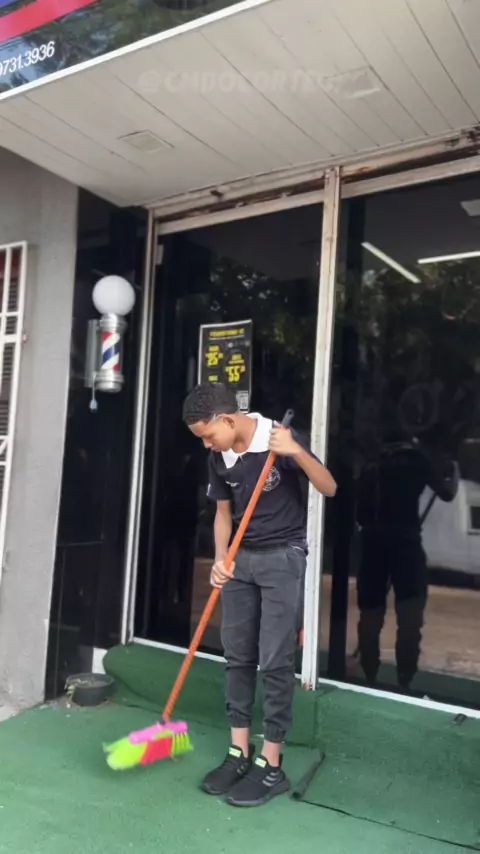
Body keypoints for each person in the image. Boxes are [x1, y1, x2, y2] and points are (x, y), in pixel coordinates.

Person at [182, 382, 336, 808]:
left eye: (208, 435)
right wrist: (220, 558)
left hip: (282, 557)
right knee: (237, 655)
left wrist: (296, 452)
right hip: (240, 561)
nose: (206, 445)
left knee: (274, 659)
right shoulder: (219, 456)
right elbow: (223, 513)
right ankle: (239, 751)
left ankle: (271, 762)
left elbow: (328, 487)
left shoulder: (276, 438)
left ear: (227, 420)